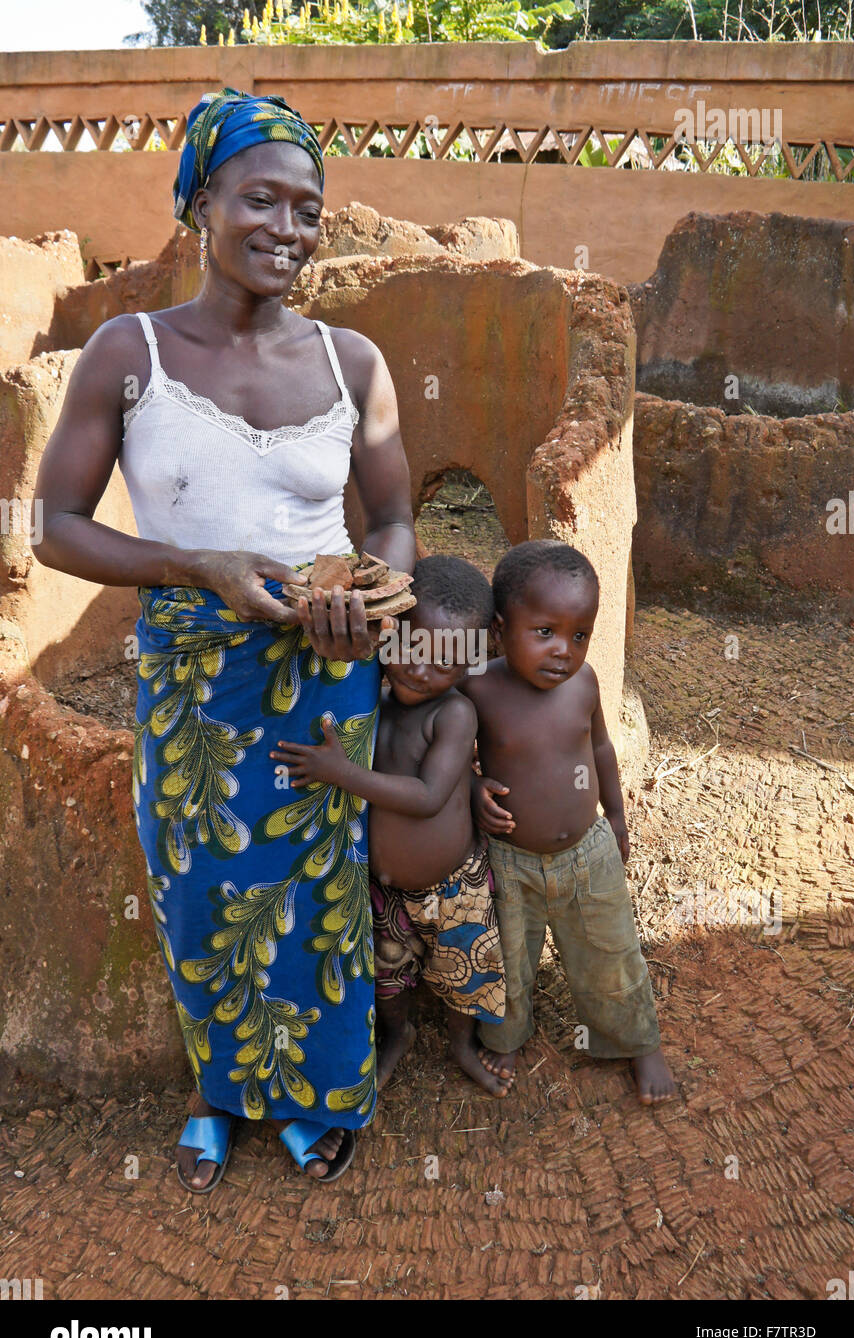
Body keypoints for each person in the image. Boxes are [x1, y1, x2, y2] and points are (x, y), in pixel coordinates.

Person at [31, 86, 415, 1189]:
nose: (287, 230)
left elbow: (388, 515)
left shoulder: (352, 364)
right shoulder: (129, 351)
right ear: (201, 202)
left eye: (307, 210)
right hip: (197, 673)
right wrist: (191, 566)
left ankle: (320, 1093)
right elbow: (54, 525)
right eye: (261, 199)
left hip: (324, 661)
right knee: (199, 885)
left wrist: (366, 592)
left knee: (320, 882)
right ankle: (219, 1087)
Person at [270, 555, 510, 1096]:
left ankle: (461, 1044)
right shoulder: (367, 696)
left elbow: (426, 798)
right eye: (412, 647)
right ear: (389, 629)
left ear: (470, 664)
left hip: (453, 890)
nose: (422, 670)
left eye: (445, 663)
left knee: (461, 977)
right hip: (383, 892)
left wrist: (339, 773)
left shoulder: (453, 715)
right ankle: (395, 1039)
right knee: (386, 981)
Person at [461, 540, 676, 1104]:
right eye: (545, 632)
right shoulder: (479, 687)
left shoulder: (584, 685)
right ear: (501, 629)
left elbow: (601, 749)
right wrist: (473, 785)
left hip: (589, 853)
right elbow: (451, 755)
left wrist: (619, 816)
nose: (564, 650)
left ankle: (636, 1040)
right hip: (509, 859)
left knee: (611, 951)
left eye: (579, 635)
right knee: (508, 960)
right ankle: (506, 1034)